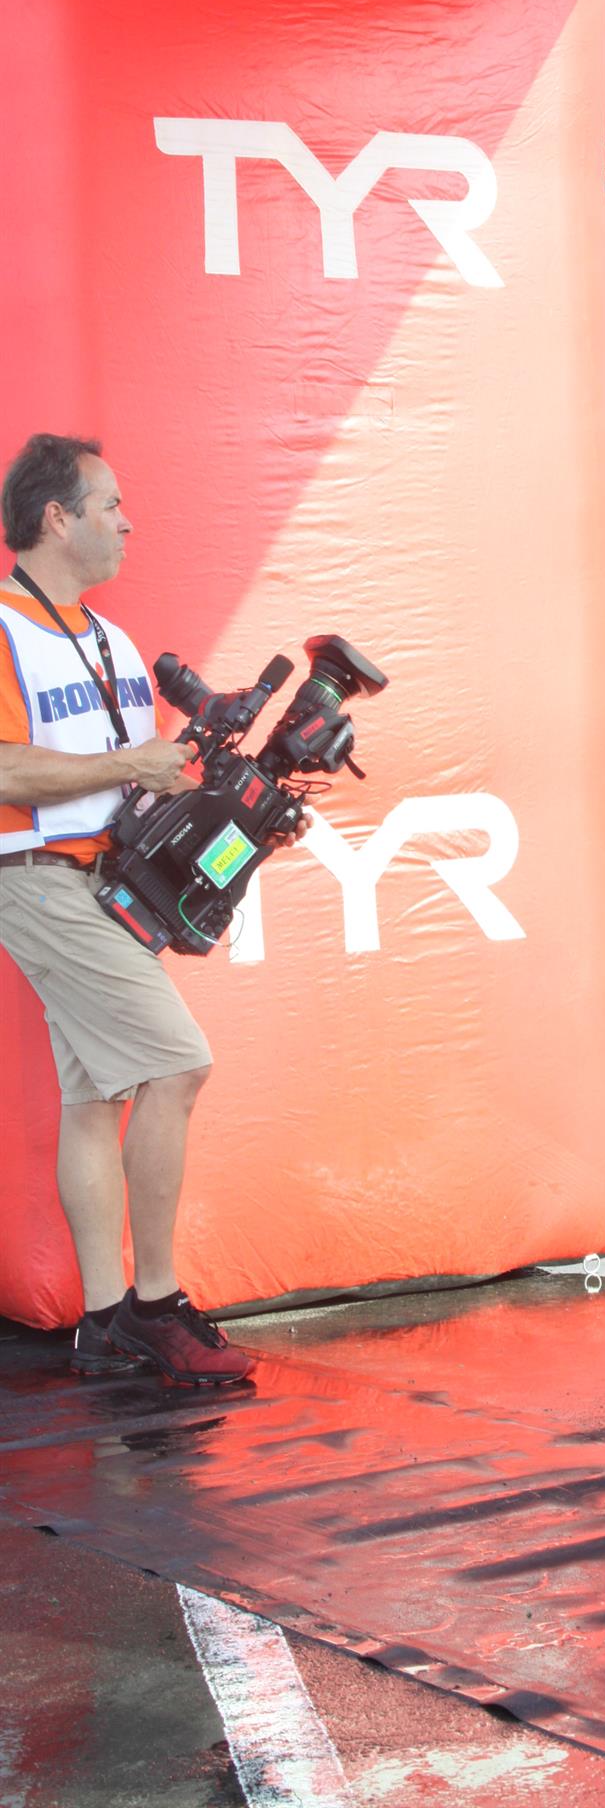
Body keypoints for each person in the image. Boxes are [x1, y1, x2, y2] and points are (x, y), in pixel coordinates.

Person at [0, 434, 259, 1384]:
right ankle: (155, 1305)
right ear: (56, 516)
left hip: (114, 883)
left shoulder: (111, 638)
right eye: (110, 504)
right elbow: (4, 771)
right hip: (34, 877)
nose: (128, 522)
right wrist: (130, 762)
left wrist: (238, 807)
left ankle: (104, 1325)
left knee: (93, 1099)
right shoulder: (2, 627)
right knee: (178, 1063)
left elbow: (143, 780)